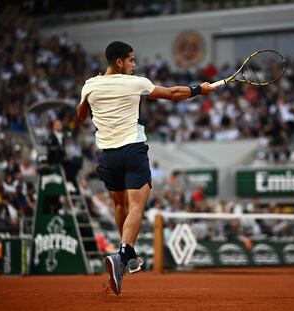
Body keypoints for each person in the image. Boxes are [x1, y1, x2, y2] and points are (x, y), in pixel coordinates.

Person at [77, 41, 215, 295]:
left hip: (107, 156)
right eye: (131, 60)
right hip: (133, 151)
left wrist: (91, 105)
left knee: (121, 205)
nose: (134, 65)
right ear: (119, 62)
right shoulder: (135, 83)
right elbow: (173, 94)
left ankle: (125, 255)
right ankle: (123, 254)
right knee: (137, 206)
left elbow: (81, 113)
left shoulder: (90, 85)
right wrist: (199, 89)